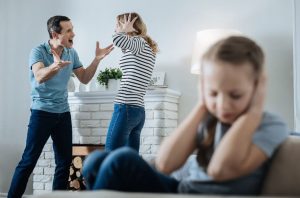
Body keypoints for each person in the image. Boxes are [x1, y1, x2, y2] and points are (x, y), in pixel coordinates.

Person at [82, 35, 289, 195]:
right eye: (213, 93)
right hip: (182, 190)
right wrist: (202, 104)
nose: (222, 104)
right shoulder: (209, 118)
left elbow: (219, 170)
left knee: (123, 160)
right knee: (95, 160)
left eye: (235, 95)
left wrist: (253, 111)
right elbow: (165, 163)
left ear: (257, 86)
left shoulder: (268, 124)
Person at [8, 15, 113, 198]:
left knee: (64, 163)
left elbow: (85, 77)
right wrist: (55, 67)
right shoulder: (38, 51)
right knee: (29, 161)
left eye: (73, 28)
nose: (74, 33)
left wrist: (97, 59)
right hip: (41, 113)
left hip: (63, 114)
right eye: (69, 30)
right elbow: (39, 76)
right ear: (55, 34)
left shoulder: (71, 53)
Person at [105, 12, 158, 152]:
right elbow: (123, 45)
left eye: (118, 24)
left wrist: (123, 31)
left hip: (126, 105)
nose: (115, 28)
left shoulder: (139, 42)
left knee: (110, 154)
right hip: (138, 110)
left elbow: (117, 40)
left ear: (128, 25)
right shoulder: (143, 45)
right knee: (129, 160)